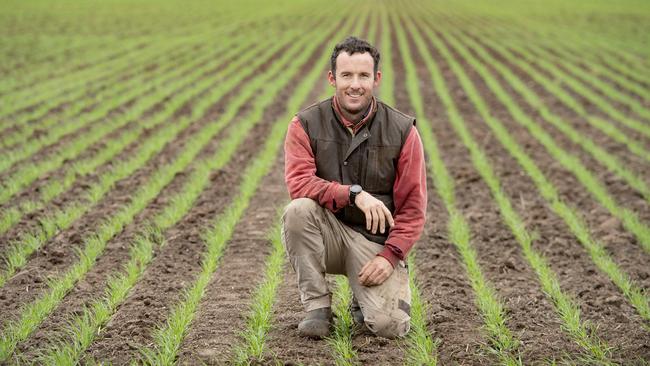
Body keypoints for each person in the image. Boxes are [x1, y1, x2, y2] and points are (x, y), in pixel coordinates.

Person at [282, 36, 427, 339]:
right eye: (346, 75)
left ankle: (363, 302)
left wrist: (390, 256)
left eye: (363, 76)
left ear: (376, 79)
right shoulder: (305, 124)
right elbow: (298, 183)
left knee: (391, 328)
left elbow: (413, 209)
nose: (355, 84)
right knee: (298, 211)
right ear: (332, 78)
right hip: (328, 233)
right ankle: (317, 308)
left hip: (373, 243)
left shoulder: (402, 130)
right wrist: (353, 194)